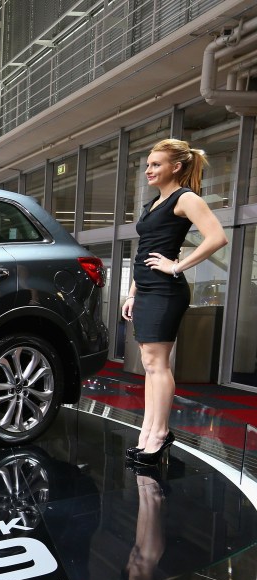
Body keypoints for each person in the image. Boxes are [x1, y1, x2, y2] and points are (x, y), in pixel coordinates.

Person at [121, 139, 228, 464]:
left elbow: (217, 237)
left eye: (156, 164)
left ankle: (159, 433)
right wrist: (132, 292)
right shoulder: (154, 203)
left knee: (158, 364)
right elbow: (146, 250)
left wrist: (177, 265)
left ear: (176, 167)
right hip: (147, 289)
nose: (149, 170)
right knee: (150, 364)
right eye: (149, 165)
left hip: (166, 291)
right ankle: (150, 431)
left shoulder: (186, 198)